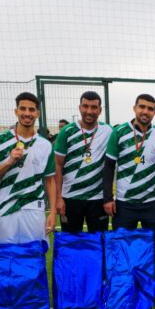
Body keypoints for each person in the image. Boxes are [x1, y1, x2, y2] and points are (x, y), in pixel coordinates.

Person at [103, 94, 155, 305]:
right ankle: (122, 289)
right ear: (134, 108)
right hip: (124, 203)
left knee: (154, 247)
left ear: (154, 113)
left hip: (152, 202)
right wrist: (108, 198)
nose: (145, 111)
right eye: (142, 107)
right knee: (122, 247)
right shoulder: (118, 133)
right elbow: (109, 167)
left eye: (150, 108)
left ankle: (154, 288)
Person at [0, 92, 56, 244]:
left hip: (34, 207)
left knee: (34, 252)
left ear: (37, 113)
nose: (27, 113)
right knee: (4, 254)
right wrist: (9, 162)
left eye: (31, 110)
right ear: (16, 111)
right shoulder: (0, 140)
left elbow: (50, 181)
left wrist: (52, 212)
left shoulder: (45, 145)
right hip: (5, 207)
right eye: (23, 109)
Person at [54, 91, 112, 233]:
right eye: (85, 106)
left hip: (98, 199)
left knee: (98, 242)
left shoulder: (108, 131)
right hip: (70, 198)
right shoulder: (66, 132)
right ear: (79, 107)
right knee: (71, 242)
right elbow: (57, 165)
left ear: (100, 110)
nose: (89, 111)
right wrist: (58, 198)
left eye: (94, 107)